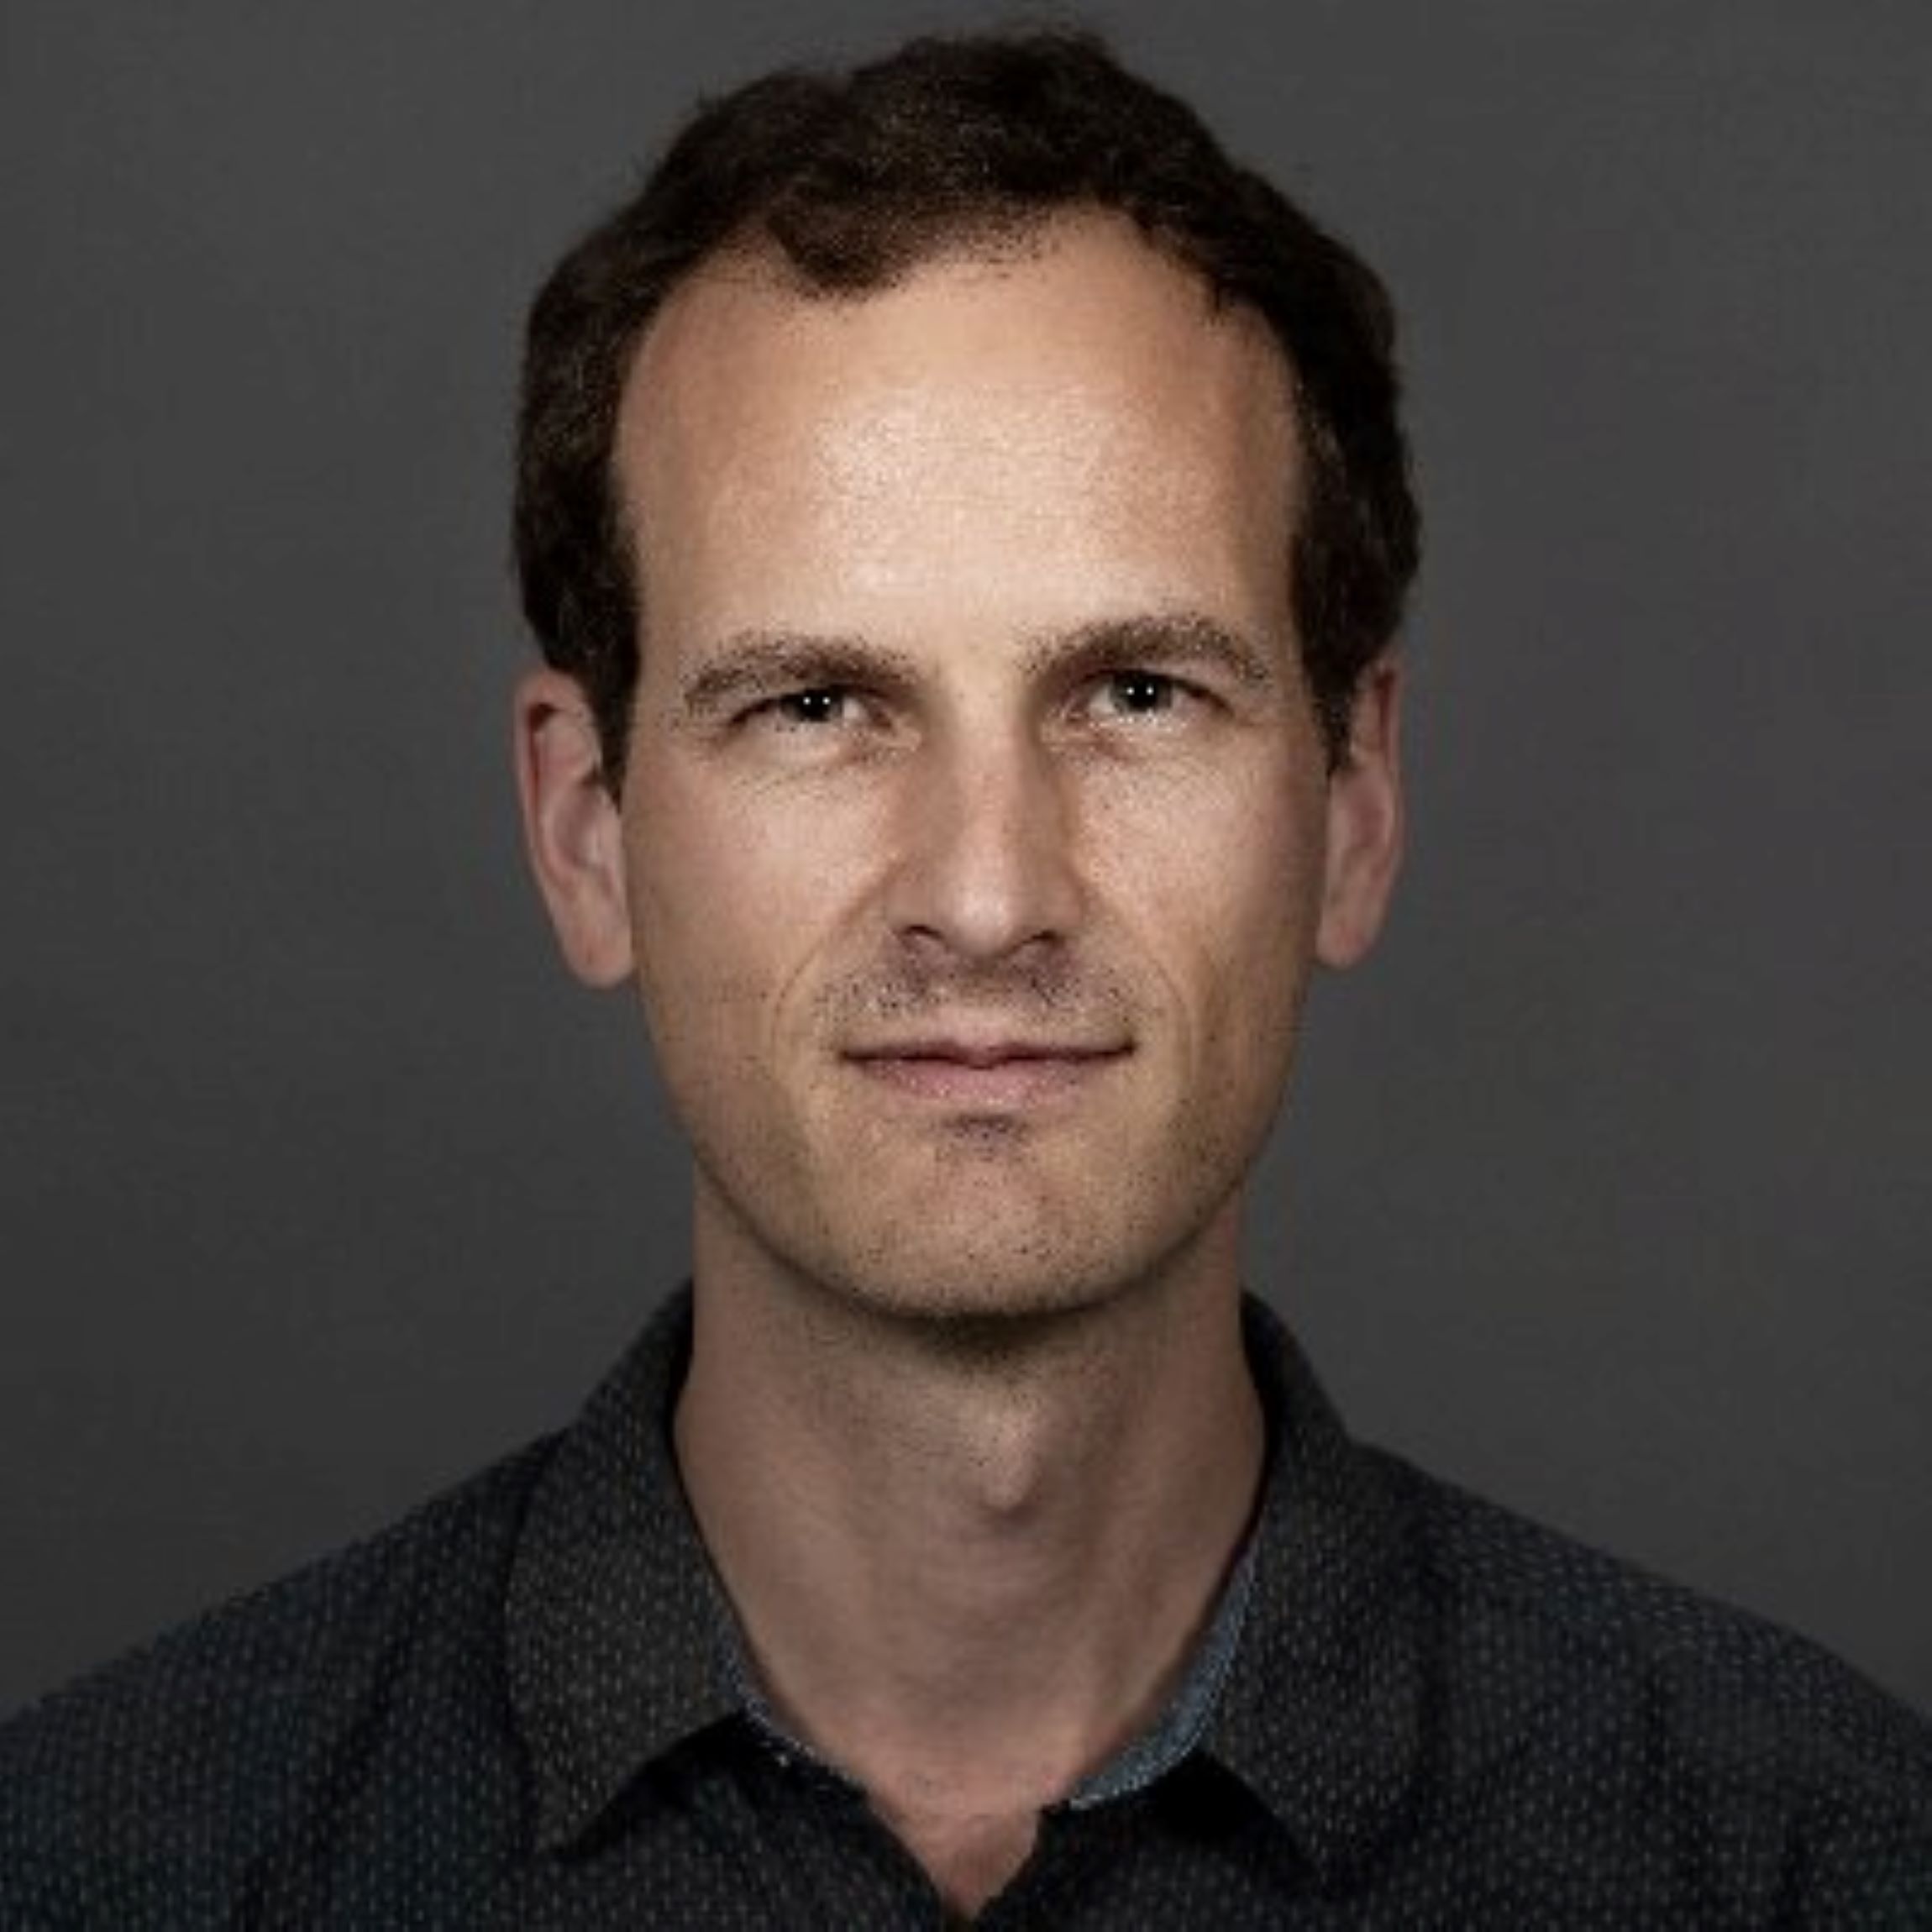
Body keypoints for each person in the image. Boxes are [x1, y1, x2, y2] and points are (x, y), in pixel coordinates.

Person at [2, 28, 1926, 1929]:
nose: (989, 893)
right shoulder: (107, 1869)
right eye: (815, 705)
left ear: (1351, 804)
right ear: (587, 833)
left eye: (1136, 693)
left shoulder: (1810, 1863)